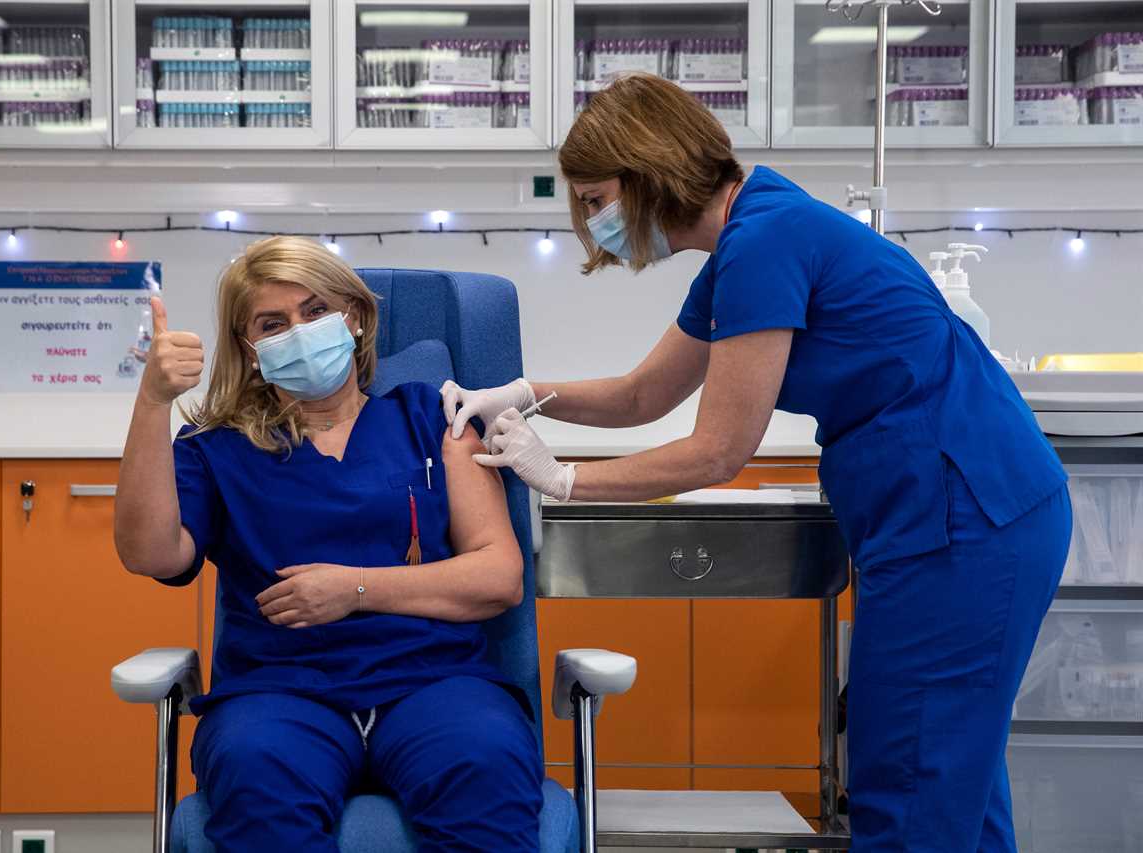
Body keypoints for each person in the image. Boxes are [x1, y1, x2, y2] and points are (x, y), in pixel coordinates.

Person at [446, 75, 1071, 852]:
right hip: (971, 511)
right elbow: (646, 393)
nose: (594, 221)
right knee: (957, 792)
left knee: (910, 788)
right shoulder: (751, 234)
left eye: (598, 198)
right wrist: (526, 392)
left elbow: (718, 449)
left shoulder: (765, 240)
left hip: (964, 517)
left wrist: (565, 479)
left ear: (651, 171)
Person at [114, 236, 543, 852]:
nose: (299, 331)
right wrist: (154, 402)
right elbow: (149, 554)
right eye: (273, 323)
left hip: (435, 683)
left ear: (357, 319)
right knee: (258, 778)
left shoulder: (436, 418)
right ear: (251, 350)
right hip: (278, 691)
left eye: (316, 311)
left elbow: (500, 576)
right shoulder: (216, 449)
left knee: (484, 760)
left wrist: (354, 588)